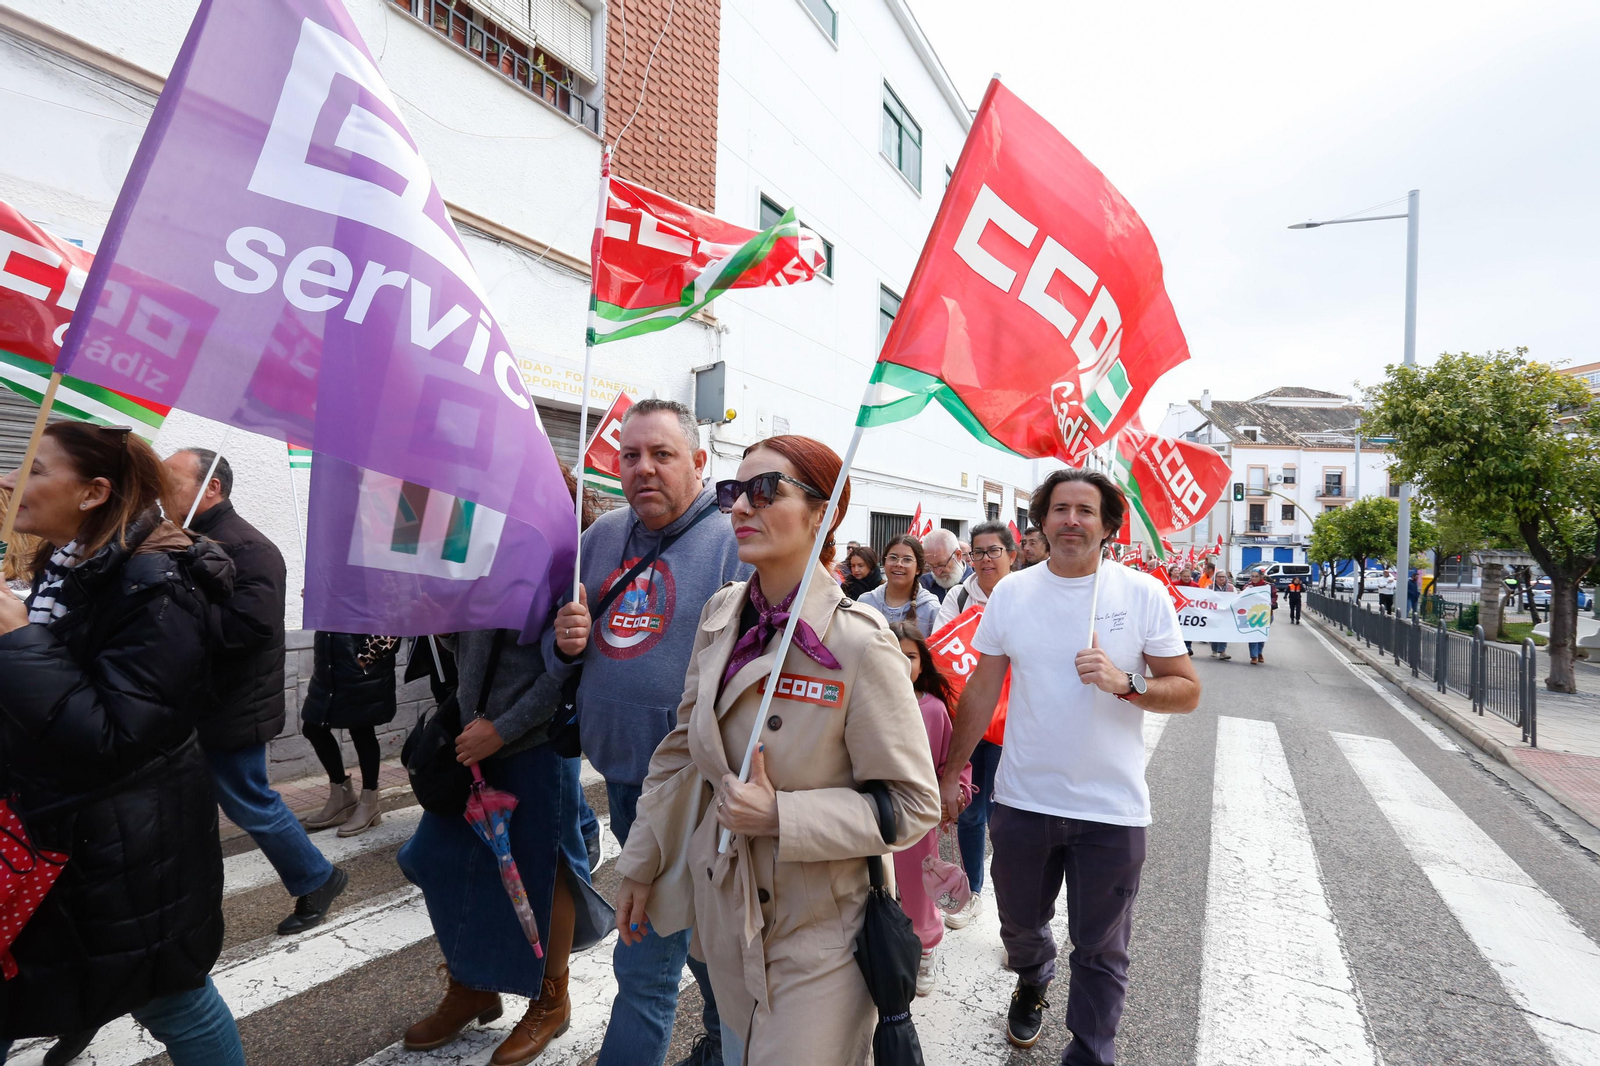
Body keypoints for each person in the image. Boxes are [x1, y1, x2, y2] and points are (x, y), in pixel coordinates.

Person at [613, 434, 940, 1065]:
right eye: (734, 492)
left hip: (822, 933)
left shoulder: (859, 643)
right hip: (727, 914)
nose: (739, 507)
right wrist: (639, 863)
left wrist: (780, 817)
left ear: (824, 513)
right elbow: (682, 750)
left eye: (765, 491)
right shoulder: (720, 614)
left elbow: (913, 803)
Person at [0, 422, 245, 1066]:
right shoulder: (62, 563)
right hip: (46, 830)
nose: (10, 481)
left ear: (93, 492)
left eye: (35, 470)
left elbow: (111, 735)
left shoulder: (157, 583)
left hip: (126, 848)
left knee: (172, 996)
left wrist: (18, 637)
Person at [937, 468, 1201, 1061]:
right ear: (1042, 522)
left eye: (1086, 510)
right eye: (1060, 509)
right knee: (1020, 928)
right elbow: (982, 688)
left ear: (1108, 525)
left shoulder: (1141, 594)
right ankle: (1034, 978)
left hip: (1111, 809)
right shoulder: (1012, 592)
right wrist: (953, 768)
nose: (1072, 520)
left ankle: (1089, 1051)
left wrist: (1126, 682)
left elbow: (1186, 690)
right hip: (1025, 800)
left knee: (1101, 948)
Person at [548, 398, 746, 1066]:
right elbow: (564, 654)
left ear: (698, 462)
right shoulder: (601, 537)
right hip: (624, 780)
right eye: (630, 455)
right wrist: (567, 643)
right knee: (696, 942)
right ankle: (726, 1043)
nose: (642, 469)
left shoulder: (733, 543)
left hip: (693, 791)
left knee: (642, 967)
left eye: (661, 455)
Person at [399, 466, 614, 1066]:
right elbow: (469, 653)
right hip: (474, 741)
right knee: (439, 859)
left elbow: (567, 669)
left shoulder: (564, 562)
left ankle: (552, 997)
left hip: (533, 745)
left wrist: (504, 729)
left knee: (548, 874)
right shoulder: (477, 550)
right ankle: (472, 983)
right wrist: (440, 626)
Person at [162, 447, 349, 937]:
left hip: (231, 706)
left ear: (212, 488)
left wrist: (177, 612)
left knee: (249, 799)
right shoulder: (187, 539)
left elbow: (250, 630)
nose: (160, 491)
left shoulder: (248, 547)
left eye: (171, 481)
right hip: (196, 702)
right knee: (193, 804)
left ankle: (318, 877)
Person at [932, 520, 1017, 931]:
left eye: (993, 551)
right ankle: (973, 892)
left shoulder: (1028, 594)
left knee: (1010, 815)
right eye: (978, 552)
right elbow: (941, 646)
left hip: (1016, 722)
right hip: (969, 718)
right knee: (968, 811)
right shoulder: (958, 595)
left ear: (1011, 555)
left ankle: (1014, 907)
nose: (984, 560)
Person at [886, 620, 971, 997]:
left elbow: (950, 764)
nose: (903, 664)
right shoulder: (864, 700)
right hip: (874, 813)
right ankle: (885, 948)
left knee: (919, 888)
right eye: (894, 655)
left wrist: (955, 793)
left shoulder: (934, 709)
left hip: (918, 818)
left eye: (911, 656)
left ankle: (925, 949)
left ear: (923, 663)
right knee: (878, 888)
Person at [299, 631, 400, 836]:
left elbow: (391, 620)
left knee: (361, 729)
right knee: (313, 727)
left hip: (357, 664)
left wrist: (363, 658)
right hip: (329, 660)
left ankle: (369, 802)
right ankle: (342, 797)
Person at [858, 533, 940, 635]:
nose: (898, 564)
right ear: (884, 562)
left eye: (907, 559)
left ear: (918, 569)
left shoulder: (931, 609)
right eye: (893, 557)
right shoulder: (866, 602)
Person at [919, 528, 972, 603]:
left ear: (958, 555)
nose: (937, 572)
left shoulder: (978, 583)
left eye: (941, 564)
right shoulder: (922, 584)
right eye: (930, 566)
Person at [1247, 572, 1276, 665]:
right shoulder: (1248, 586)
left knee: (1261, 634)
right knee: (1253, 634)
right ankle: (1254, 656)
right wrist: (1247, 590)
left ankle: (1259, 653)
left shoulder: (1269, 586)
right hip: (1252, 614)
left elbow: (1274, 597)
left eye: (1256, 576)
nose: (1254, 578)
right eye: (1252, 576)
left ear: (1261, 577)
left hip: (1266, 614)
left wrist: (1271, 603)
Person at [1209, 571, 1236, 660]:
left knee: (1224, 631)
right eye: (1219, 576)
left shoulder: (1231, 588)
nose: (1221, 578)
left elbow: (1236, 598)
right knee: (1214, 632)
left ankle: (1222, 651)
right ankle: (1215, 649)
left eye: (1223, 577)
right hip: (1214, 613)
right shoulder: (1210, 587)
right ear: (1215, 578)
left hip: (1226, 614)